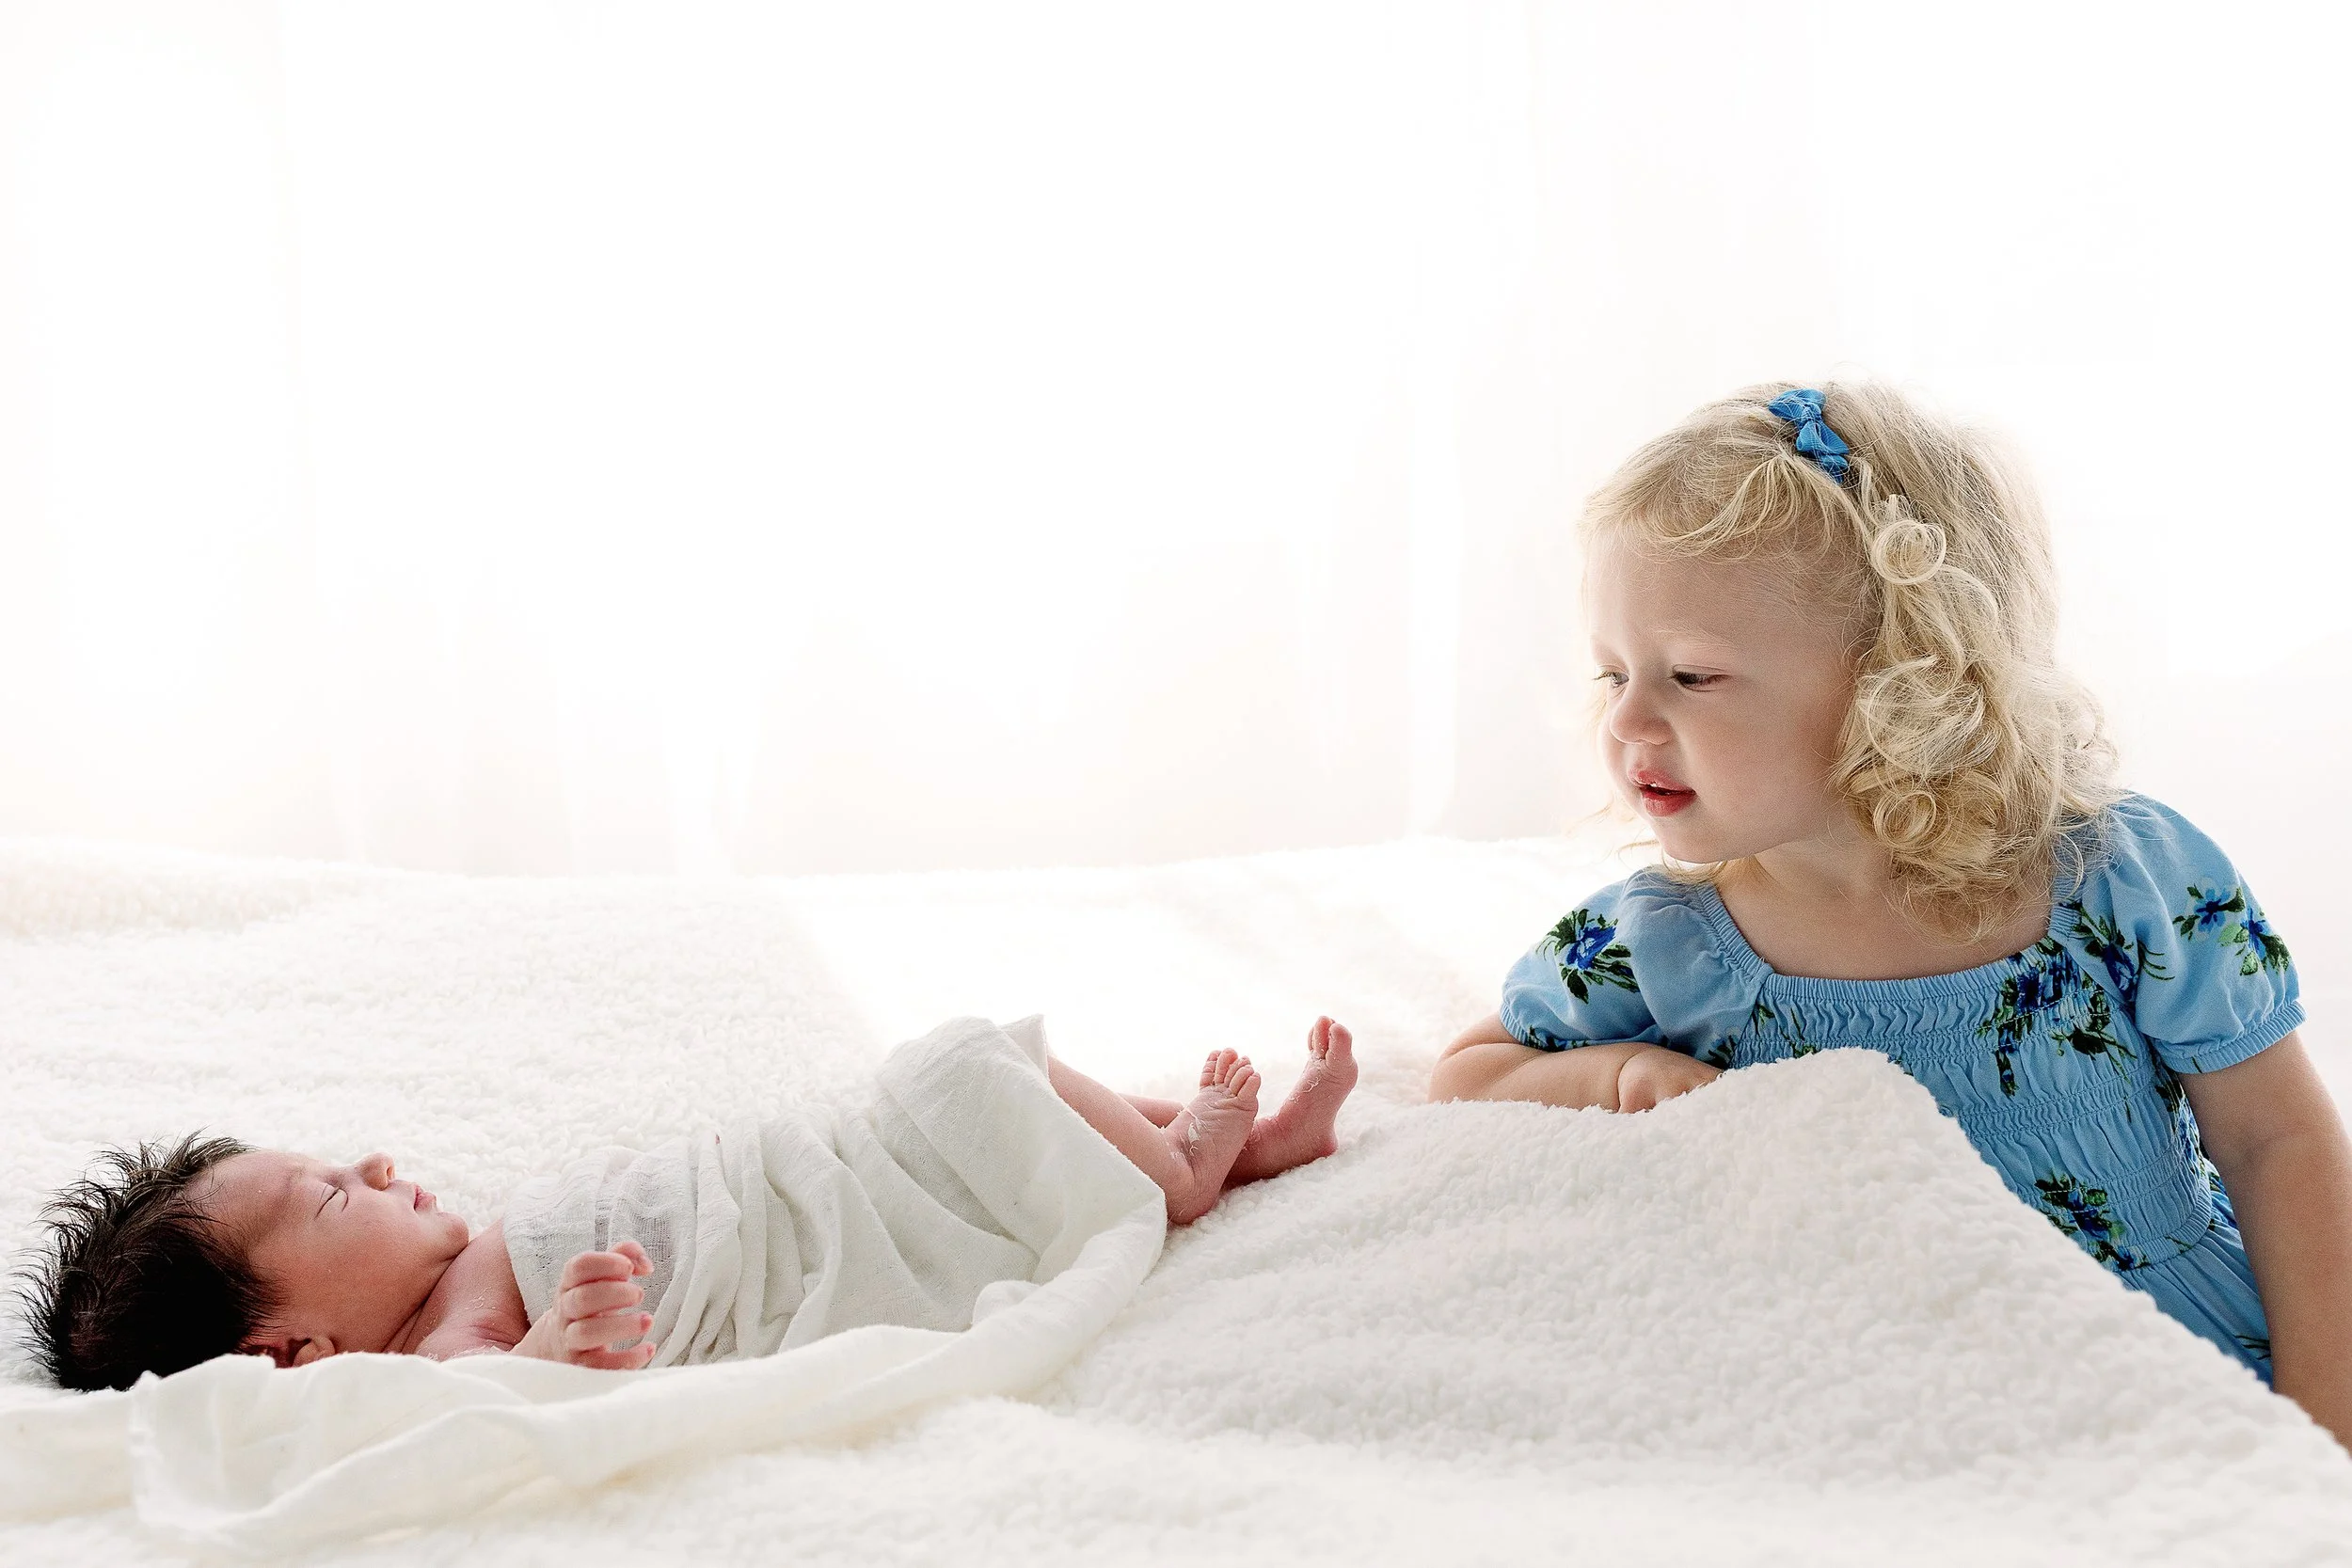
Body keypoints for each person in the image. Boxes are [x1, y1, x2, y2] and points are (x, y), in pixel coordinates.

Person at [1430, 382, 2352, 1444]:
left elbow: (2277, 1140)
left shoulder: (2120, 875)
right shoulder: (1660, 941)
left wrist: (2321, 1420)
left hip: (2171, 1355)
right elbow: (1470, 1072)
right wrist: (1616, 1074)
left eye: (1689, 674)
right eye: (1612, 672)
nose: (1628, 716)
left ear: (1898, 682)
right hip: (1882, 1395)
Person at [25, 1017, 1356, 1389]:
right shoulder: (440, 1346)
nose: (375, 1164)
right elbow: (501, 1406)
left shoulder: (447, 1268)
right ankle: (1183, 1169)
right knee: (966, 1072)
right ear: (298, 1347)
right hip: (827, 1236)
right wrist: (551, 1350)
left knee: (971, 1075)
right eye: (329, 1196)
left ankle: (1193, 1136)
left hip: (814, 1163)